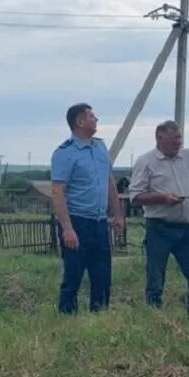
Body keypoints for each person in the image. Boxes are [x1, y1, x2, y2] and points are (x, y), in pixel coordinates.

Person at [129, 115, 189, 316]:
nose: (178, 144)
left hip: (186, 228)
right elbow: (135, 197)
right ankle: (155, 320)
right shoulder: (145, 162)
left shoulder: (186, 156)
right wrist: (162, 198)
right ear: (159, 139)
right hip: (159, 228)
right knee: (155, 280)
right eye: (173, 140)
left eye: (179, 139)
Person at [50, 103, 125, 314]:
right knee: (73, 274)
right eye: (92, 117)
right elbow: (58, 192)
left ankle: (99, 316)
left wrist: (117, 214)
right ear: (79, 122)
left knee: (102, 275)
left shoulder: (100, 148)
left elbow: (109, 182)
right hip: (77, 220)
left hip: (99, 221)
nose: (96, 120)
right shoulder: (65, 153)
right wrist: (67, 229)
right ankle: (67, 317)